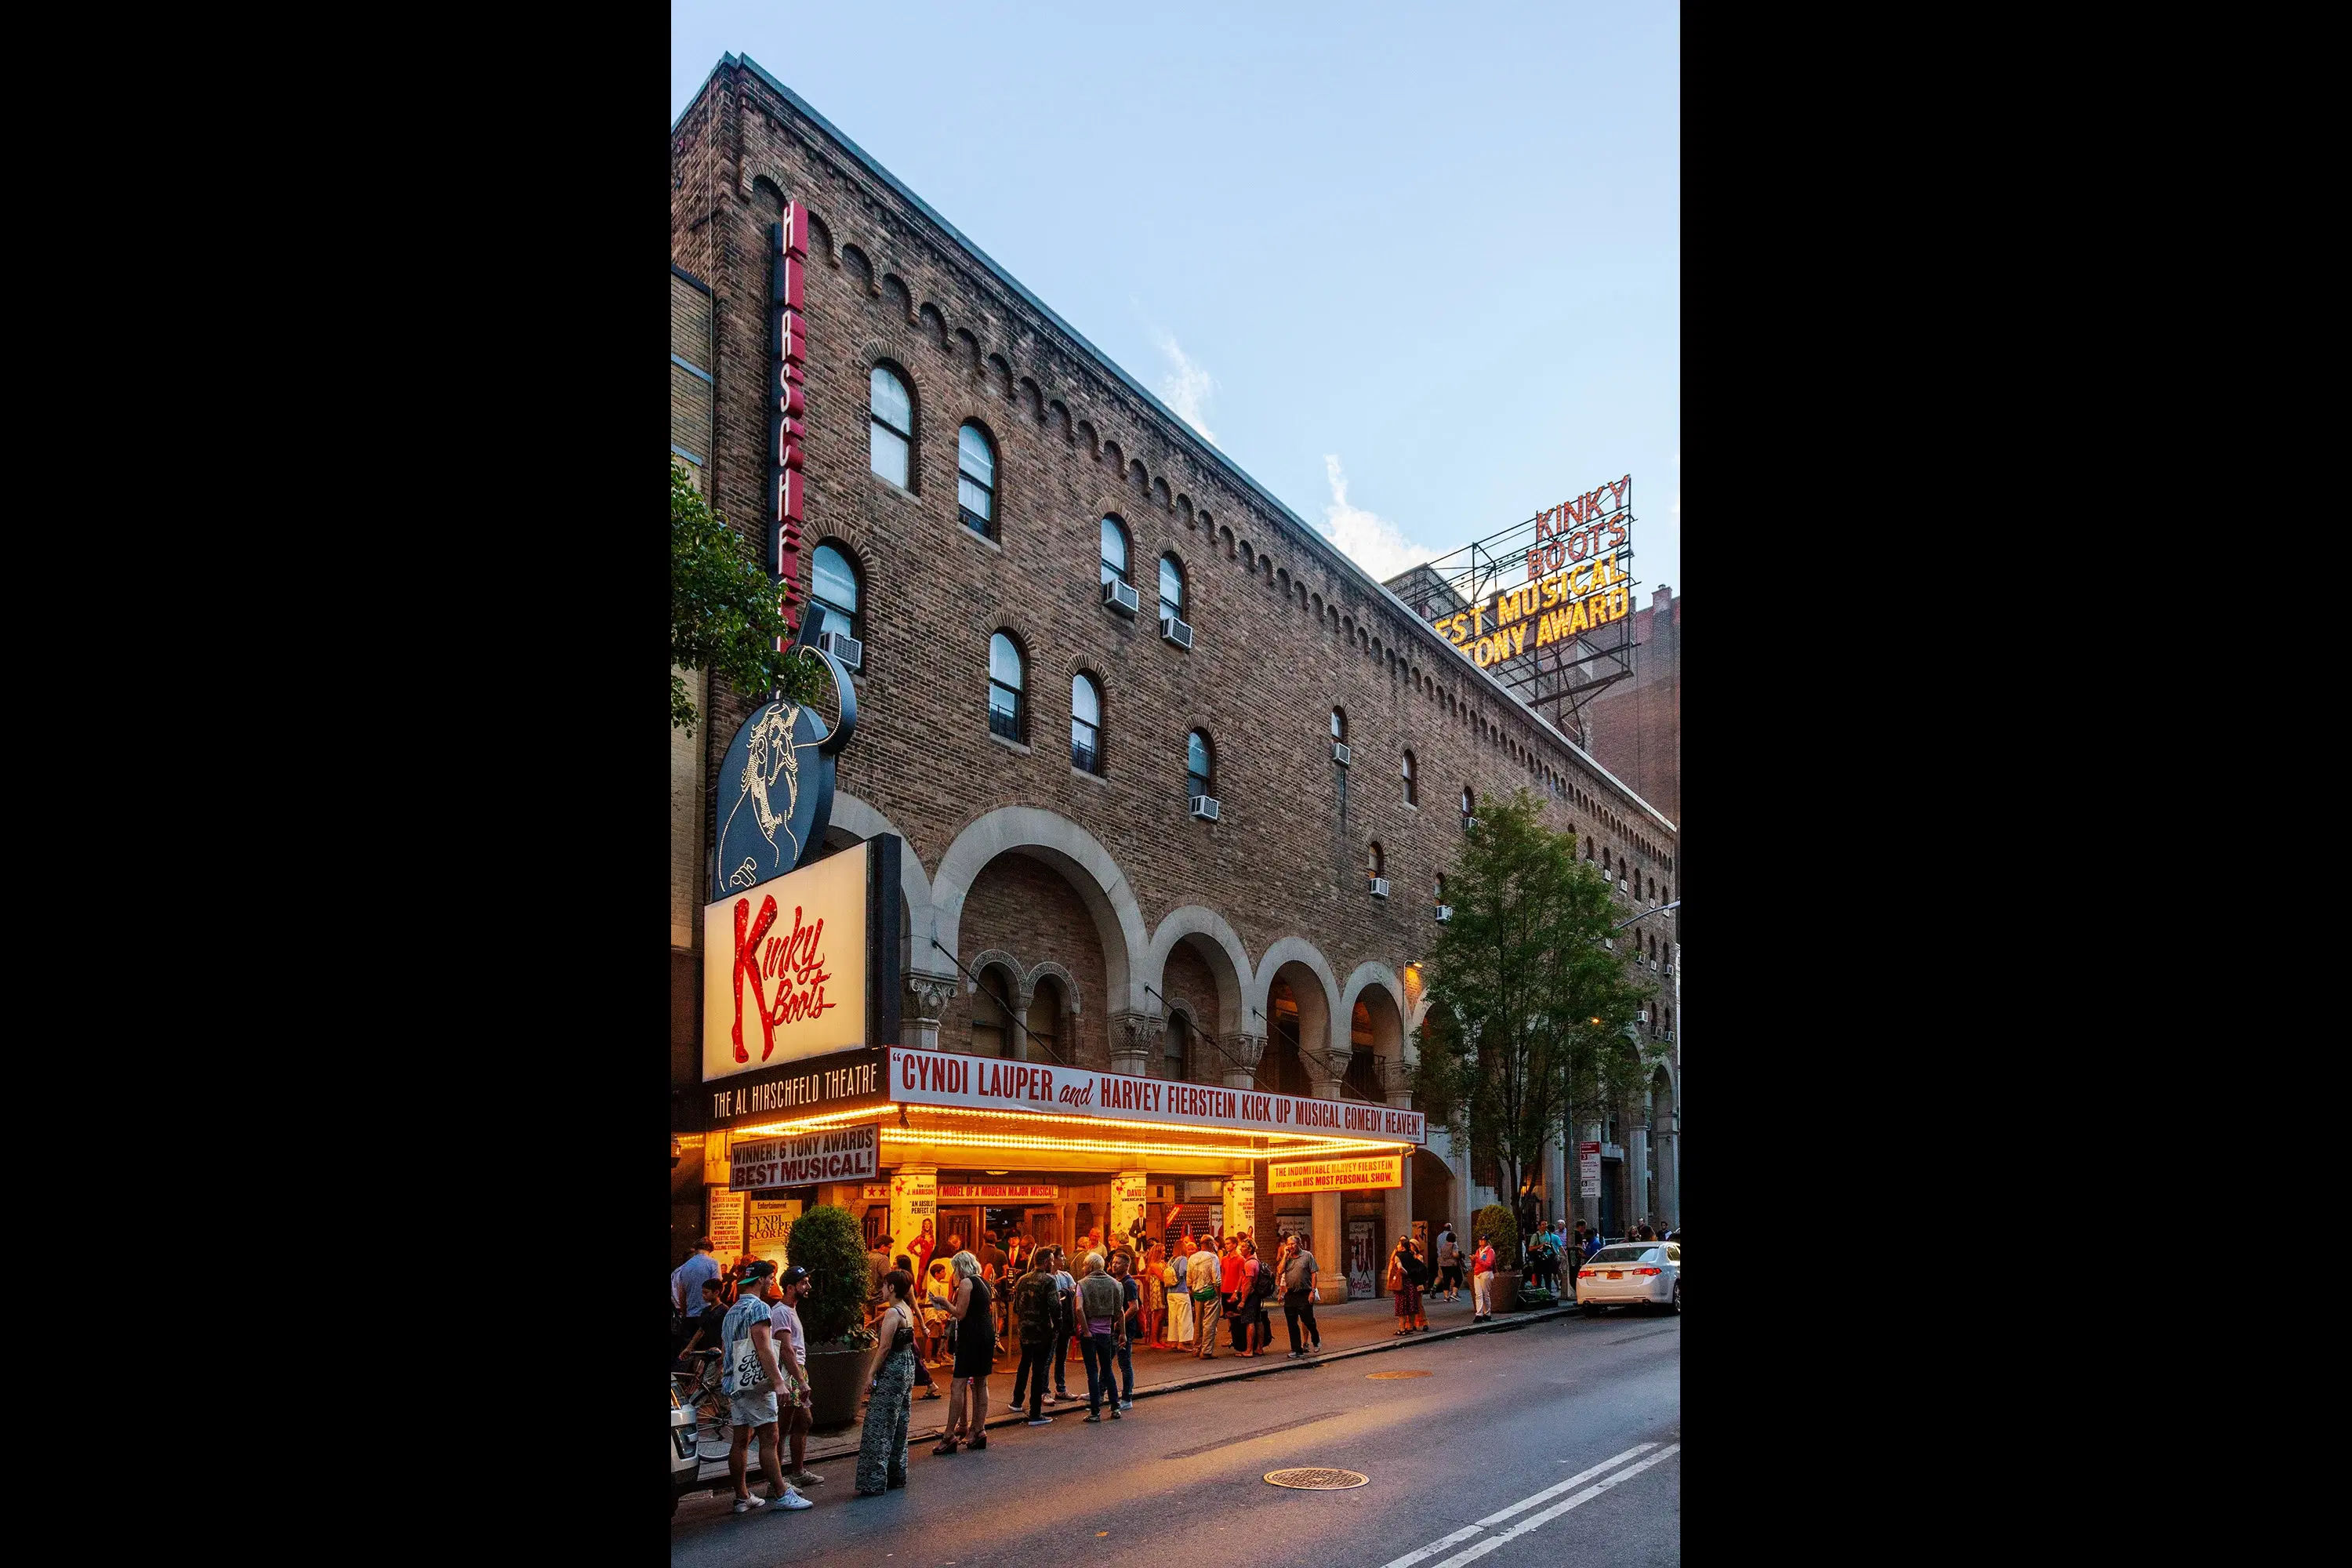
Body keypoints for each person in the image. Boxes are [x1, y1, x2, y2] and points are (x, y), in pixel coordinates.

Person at [718, 1261, 813, 1515]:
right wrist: (779, 1382)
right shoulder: (760, 1308)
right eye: (770, 1278)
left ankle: (742, 1496)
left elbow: (728, 1350)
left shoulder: (731, 1311)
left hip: (734, 1381)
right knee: (770, 1437)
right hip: (755, 1384)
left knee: (740, 1439)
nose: (772, 1282)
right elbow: (764, 1348)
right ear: (760, 1280)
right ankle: (782, 1492)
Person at [855, 1269, 921, 1496]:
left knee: (880, 1423)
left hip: (893, 1367)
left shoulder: (893, 1313)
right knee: (900, 1420)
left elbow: (884, 1348)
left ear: (892, 1288)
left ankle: (873, 1480)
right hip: (907, 1365)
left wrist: (870, 1374)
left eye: (884, 1286)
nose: (882, 1290)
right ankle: (896, 1473)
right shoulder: (907, 1310)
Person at [933, 1250, 995, 1454]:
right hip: (986, 1334)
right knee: (980, 1383)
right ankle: (979, 1430)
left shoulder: (967, 1283)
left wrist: (944, 1303)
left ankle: (949, 1435)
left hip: (971, 1337)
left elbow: (960, 1313)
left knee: (957, 1384)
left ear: (960, 1268)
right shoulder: (984, 1283)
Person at [1011, 1249, 1061, 1427]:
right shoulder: (1048, 1281)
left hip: (1025, 1330)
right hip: (1042, 1330)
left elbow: (1017, 1307)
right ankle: (1035, 1412)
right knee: (1039, 1370)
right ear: (1047, 1262)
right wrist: (1058, 1325)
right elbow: (1054, 1307)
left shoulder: (1022, 1279)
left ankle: (1017, 1401)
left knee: (1024, 1364)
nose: (1053, 1263)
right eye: (1052, 1260)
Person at [1074, 1254, 1126, 1422]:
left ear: (1090, 1266)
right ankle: (1115, 1407)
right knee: (1107, 1369)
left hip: (1089, 1333)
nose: (1083, 1268)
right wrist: (1123, 1333)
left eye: (1084, 1265)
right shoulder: (1115, 1284)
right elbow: (1120, 1312)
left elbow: (1079, 1309)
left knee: (1092, 1372)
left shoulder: (1082, 1284)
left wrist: (1087, 1330)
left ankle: (1095, 1412)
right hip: (1106, 1333)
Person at [673, 1238, 722, 1352]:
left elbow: (682, 1293)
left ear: (696, 1249)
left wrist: (685, 1314)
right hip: (709, 1314)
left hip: (690, 1315)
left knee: (692, 1351)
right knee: (709, 1351)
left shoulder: (685, 1267)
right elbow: (718, 1286)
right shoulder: (713, 1263)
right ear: (710, 1249)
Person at [1279, 1232, 1322, 1356]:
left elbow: (1314, 1273)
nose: (1290, 1247)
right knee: (1292, 1322)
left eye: (1293, 1244)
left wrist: (1313, 1292)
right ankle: (1297, 1350)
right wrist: (1285, 1256)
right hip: (1291, 1293)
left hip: (1305, 1292)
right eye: (1288, 1245)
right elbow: (1280, 1271)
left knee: (1308, 1320)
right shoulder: (1287, 1258)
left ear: (1299, 1244)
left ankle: (1316, 1339)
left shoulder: (1307, 1256)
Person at [1109, 1248, 1140, 1406]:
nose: (1114, 1265)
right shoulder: (1118, 1282)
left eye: (1118, 1263)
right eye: (1114, 1262)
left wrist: (1120, 1324)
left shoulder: (1128, 1283)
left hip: (1125, 1329)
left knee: (1124, 1363)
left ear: (1127, 1265)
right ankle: (1099, 1392)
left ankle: (1127, 1397)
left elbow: (1134, 1307)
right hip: (1117, 1328)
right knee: (1108, 1361)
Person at [1186, 1230, 1222, 1358]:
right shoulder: (1213, 1258)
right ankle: (1206, 1351)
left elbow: (1189, 1279)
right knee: (1209, 1322)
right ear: (1210, 1243)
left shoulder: (1192, 1258)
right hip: (1210, 1293)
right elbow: (1216, 1280)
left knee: (1198, 1321)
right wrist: (1218, 1297)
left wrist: (1192, 1291)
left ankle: (1196, 1348)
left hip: (1197, 1293)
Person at [1237, 1237, 1274, 1356]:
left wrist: (1243, 1300)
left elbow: (1248, 1283)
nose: (1240, 1249)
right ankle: (1259, 1348)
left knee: (1250, 1322)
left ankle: (1249, 1350)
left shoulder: (1249, 1264)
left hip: (1251, 1296)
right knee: (1258, 1320)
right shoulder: (1256, 1261)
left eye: (1243, 1247)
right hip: (1257, 1296)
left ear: (1249, 1249)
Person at [1389, 1237, 1428, 1334]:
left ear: (1402, 1247)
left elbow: (1400, 1268)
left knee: (1401, 1307)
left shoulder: (1398, 1256)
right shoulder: (1412, 1256)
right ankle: (1410, 1327)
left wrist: (1406, 1272)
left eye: (1399, 1244)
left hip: (1403, 1284)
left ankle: (1402, 1329)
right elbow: (1421, 1267)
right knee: (1411, 1306)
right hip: (1412, 1284)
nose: (1397, 1246)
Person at [1163, 1237, 1194, 1351]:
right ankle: (1182, 1343)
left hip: (1170, 1292)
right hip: (1181, 1291)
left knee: (1173, 1318)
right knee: (1184, 1317)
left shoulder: (1171, 1260)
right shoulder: (1183, 1259)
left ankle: (1173, 1341)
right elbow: (1183, 1272)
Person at [1221, 1234, 1250, 1353]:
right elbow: (1223, 1274)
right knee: (1228, 1315)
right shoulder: (1224, 1259)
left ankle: (1240, 1339)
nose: (1226, 1246)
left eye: (1228, 1244)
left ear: (1234, 1245)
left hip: (1235, 1291)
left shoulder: (1241, 1259)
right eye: (1226, 1244)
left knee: (1238, 1315)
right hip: (1225, 1290)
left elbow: (1241, 1276)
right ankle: (1232, 1337)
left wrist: (1236, 1292)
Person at [1139, 1240, 1166, 1348]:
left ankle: (1159, 1339)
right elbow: (1163, 1278)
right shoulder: (1154, 1265)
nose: (1164, 1253)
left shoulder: (1162, 1263)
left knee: (1162, 1316)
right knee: (1157, 1316)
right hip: (1157, 1292)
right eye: (1162, 1251)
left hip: (1162, 1290)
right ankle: (1154, 1341)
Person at [1471, 1232, 1497, 1322]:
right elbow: (1475, 1264)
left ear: (1487, 1241)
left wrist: (1477, 1259)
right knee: (1478, 1294)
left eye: (1483, 1240)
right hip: (1477, 1273)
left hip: (1486, 1273)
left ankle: (1487, 1313)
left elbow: (1488, 1264)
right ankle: (1479, 1314)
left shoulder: (1490, 1251)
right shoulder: (1478, 1251)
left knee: (1485, 1294)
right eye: (1480, 1240)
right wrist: (1473, 1260)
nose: (1481, 1242)